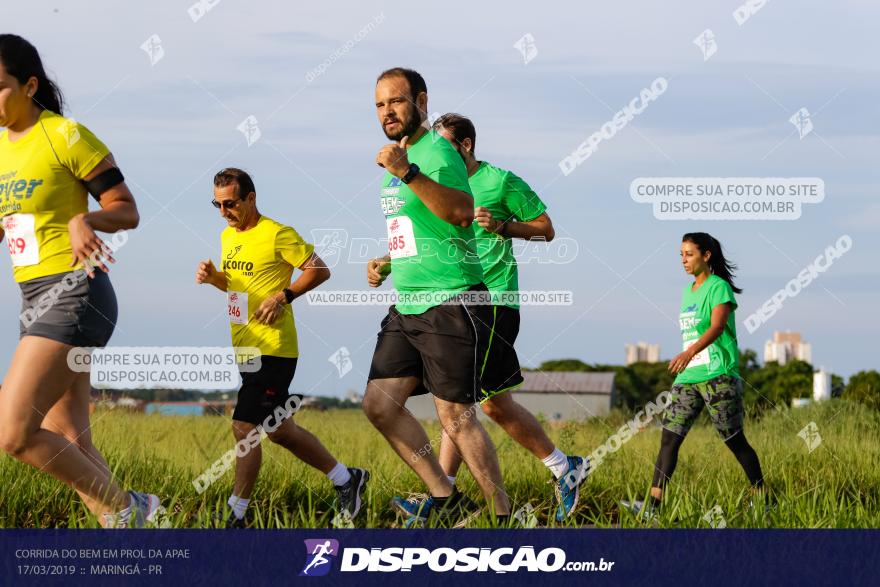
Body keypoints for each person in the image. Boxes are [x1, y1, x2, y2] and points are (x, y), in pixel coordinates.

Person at [389, 113, 589, 526]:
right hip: (452, 300)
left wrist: (503, 226)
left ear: (464, 146)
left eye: (443, 146)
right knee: (458, 402)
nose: (434, 153)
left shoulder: (499, 181)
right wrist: (386, 264)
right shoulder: (433, 182)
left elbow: (546, 229)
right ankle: (447, 493)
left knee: (480, 405)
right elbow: (426, 242)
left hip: (493, 302)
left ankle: (557, 469)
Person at [0, 34, 161, 527]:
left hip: (74, 292)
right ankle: (135, 533)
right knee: (69, 436)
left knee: (14, 435)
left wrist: (85, 221)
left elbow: (127, 209)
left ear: (30, 86)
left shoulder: (65, 135)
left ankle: (129, 510)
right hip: (34, 296)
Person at [363, 68, 510, 526]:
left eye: (397, 102)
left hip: (450, 300)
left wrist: (406, 172)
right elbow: (424, 225)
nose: (388, 112)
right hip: (407, 303)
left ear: (421, 101)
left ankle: (503, 517)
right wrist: (388, 260)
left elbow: (462, 213)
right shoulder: (401, 159)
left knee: (455, 415)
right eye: (380, 105)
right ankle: (448, 498)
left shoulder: (436, 153)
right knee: (379, 405)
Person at [196, 167, 368, 527]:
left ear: (251, 198)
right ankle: (347, 480)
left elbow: (319, 270)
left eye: (230, 203)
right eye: (217, 204)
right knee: (279, 429)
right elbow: (238, 287)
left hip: (274, 349)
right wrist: (216, 279)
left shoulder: (277, 233)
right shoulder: (229, 237)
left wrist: (284, 295)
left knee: (245, 427)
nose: (224, 211)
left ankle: (236, 514)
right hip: (246, 346)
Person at [623, 233, 765, 520]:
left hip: (718, 376)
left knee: (734, 439)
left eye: (689, 254)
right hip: (688, 378)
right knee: (669, 439)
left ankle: (764, 499)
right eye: (681, 254)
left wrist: (688, 352)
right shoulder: (688, 291)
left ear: (706, 256)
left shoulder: (718, 287)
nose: (683, 260)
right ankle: (652, 507)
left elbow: (716, 327)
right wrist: (688, 360)